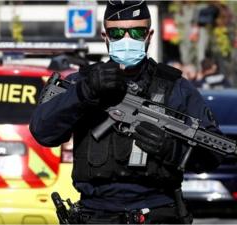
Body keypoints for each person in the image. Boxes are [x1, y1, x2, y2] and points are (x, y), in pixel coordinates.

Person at [30, 0, 223, 224]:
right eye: (118, 32)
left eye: (137, 32)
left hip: (157, 211)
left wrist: (173, 150)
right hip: (96, 213)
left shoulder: (176, 87)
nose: (127, 40)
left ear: (149, 36)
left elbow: (214, 153)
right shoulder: (81, 82)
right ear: (105, 37)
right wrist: (84, 93)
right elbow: (43, 132)